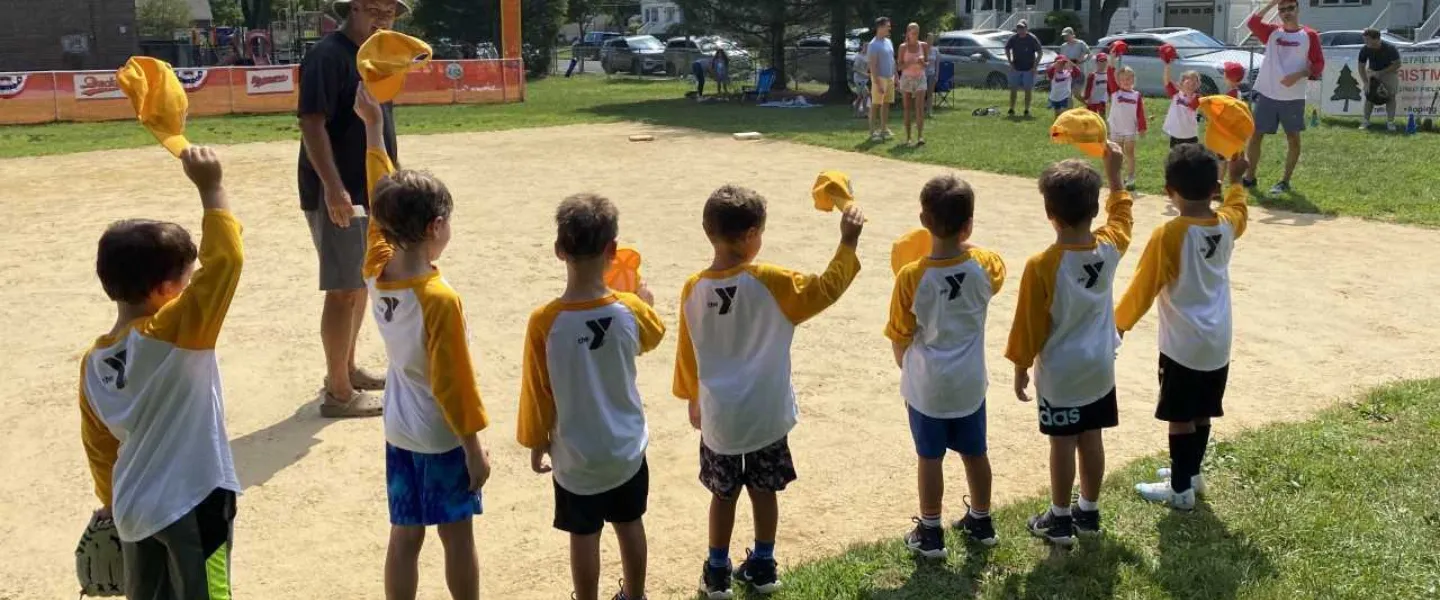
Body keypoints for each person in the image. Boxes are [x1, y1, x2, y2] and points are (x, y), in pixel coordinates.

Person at [675, 185, 864, 599]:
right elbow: (826, 289)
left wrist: (692, 396)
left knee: (722, 495)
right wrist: (847, 244)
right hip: (766, 412)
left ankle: (718, 571)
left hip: (721, 417)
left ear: (708, 230)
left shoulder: (693, 288)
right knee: (764, 489)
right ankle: (763, 563)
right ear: (749, 237)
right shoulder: (772, 281)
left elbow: (688, 350)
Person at [80, 146, 244, 599]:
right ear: (163, 290)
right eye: (187, 280)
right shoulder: (177, 328)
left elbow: (100, 448)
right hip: (197, 501)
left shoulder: (93, 362)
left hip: (134, 508)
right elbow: (226, 262)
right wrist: (211, 188)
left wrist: (111, 504)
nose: (193, 287)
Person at [357, 87, 491, 600]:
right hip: (440, 436)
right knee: (457, 536)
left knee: (405, 535)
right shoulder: (438, 298)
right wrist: (474, 449)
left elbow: (378, 201)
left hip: (399, 429)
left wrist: (373, 128)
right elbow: (453, 382)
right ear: (437, 226)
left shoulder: (376, 269)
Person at [518, 194, 665, 600]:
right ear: (612, 251)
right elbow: (654, 335)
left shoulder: (544, 322)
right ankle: (635, 595)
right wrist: (644, 300)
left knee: (583, 534)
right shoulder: (630, 309)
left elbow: (537, 389)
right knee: (630, 522)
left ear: (559, 250)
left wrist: (536, 440)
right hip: (625, 448)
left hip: (575, 454)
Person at [1007, 141, 1133, 546]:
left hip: (1061, 371)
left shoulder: (1043, 265)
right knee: (1091, 437)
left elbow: (1029, 322)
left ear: (1050, 214)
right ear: (1093, 209)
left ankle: (1060, 518)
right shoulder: (1110, 247)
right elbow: (1123, 218)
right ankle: (1089, 510)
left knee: (1062, 443)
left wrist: (1021, 365)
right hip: (1100, 366)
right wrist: (1115, 178)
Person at [1117, 146, 1251, 511]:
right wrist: (1236, 180)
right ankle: (1192, 473)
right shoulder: (1225, 224)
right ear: (1214, 189)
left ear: (1167, 190)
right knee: (1202, 410)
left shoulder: (1171, 233)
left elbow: (1144, 286)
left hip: (1183, 344)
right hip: (1218, 341)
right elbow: (1239, 210)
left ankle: (1179, 491)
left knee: (1178, 416)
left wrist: (1119, 324)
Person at [298, 0, 410, 418]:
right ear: (353, 8)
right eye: (374, 8)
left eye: (390, 10)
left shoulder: (377, 56)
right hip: (340, 190)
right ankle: (339, 394)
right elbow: (311, 123)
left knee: (360, 282)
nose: (383, 17)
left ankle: (345, 369)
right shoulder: (329, 56)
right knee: (343, 290)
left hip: (370, 189)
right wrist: (334, 189)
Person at [886, 176, 1005, 558]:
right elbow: (996, 263)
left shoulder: (911, 276)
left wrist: (906, 365)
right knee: (975, 452)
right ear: (969, 224)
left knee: (930, 457)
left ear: (923, 218)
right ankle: (982, 521)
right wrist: (964, 243)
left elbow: (900, 333)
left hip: (928, 385)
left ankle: (931, 530)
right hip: (970, 381)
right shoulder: (984, 266)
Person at [1244, 0, 1323, 195]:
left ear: (1298, 9)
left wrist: (1298, 75)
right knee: (1256, 136)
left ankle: (1284, 181)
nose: (1286, 12)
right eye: (1282, 9)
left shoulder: (1309, 35)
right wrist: (1272, 3)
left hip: (1293, 97)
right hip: (1268, 93)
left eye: (1290, 8)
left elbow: (1318, 64)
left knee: (1293, 139)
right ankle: (1249, 177)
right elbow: (1252, 23)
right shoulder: (1272, 32)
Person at [1107, 66, 1146, 190]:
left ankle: (1130, 177)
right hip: (1116, 128)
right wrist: (1112, 58)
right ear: (1118, 81)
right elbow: (1109, 73)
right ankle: (1117, 178)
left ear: (1133, 79)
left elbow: (1140, 113)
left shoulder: (1136, 95)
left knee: (1129, 153)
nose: (1126, 81)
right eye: (1123, 79)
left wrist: (1142, 128)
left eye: (1129, 78)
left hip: (1130, 129)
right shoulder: (1115, 92)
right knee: (1116, 154)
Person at [1358, 28, 1402, 131]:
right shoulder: (1365, 49)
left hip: (1389, 73)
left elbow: (1397, 64)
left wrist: (1380, 73)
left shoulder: (1390, 48)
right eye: (1364, 39)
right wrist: (1365, 82)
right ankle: (1366, 121)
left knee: (1390, 97)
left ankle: (1390, 122)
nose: (1365, 42)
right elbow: (1361, 67)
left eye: (1367, 39)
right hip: (1372, 73)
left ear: (1376, 39)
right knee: (1369, 97)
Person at [898, 23, 930, 146]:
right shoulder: (903, 47)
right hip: (906, 78)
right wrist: (910, 62)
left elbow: (927, 64)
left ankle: (920, 137)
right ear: (908, 33)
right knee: (907, 109)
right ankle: (908, 137)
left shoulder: (923, 45)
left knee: (919, 108)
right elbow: (899, 66)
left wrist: (923, 63)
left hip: (920, 77)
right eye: (913, 33)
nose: (916, 35)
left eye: (917, 32)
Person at [1004, 20, 1043, 117]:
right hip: (1016, 68)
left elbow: (1040, 52)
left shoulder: (1032, 39)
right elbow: (1007, 48)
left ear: (1026, 28)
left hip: (1028, 69)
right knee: (1013, 89)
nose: (1020, 30)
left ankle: (1026, 110)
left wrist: (1034, 67)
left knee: (1028, 90)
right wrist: (1010, 63)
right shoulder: (1013, 38)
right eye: (1018, 28)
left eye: (1022, 28)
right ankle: (1012, 109)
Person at [868, 18, 897, 142]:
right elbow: (872, 66)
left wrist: (896, 76)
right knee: (876, 105)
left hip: (890, 77)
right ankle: (873, 131)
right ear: (880, 27)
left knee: (886, 104)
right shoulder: (873, 44)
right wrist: (877, 82)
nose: (889, 28)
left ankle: (884, 129)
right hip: (879, 78)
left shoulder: (888, 42)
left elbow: (892, 60)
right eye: (887, 26)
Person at [1163, 63, 1203, 147]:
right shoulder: (1176, 94)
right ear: (1181, 83)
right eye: (1188, 83)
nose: (1191, 86)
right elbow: (1167, 81)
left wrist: (1184, 89)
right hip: (1176, 133)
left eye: (1194, 84)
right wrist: (1167, 65)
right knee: (1176, 157)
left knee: (1191, 157)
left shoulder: (1197, 97)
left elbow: (1192, 106)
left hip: (1190, 134)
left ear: (1198, 85)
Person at [1058, 27, 1092, 100]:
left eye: (1067, 35)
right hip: (1067, 73)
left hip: (1079, 72)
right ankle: (1070, 110)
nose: (1065, 37)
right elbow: (1061, 58)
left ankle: (1089, 105)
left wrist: (1082, 60)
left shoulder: (1080, 43)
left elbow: (1089, 54)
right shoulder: (1063, 46)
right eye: (1064, 36)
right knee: (1068, 95)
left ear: (1072, 35)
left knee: (1076, 94)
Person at [853, 42, 871, 118]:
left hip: (865, 79)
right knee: (866, 94)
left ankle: (856, 111)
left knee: (860, 96)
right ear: (863, 47)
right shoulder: (859, 57)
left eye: (868, 47)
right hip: (858, 79)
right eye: (865, 47)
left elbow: (869, 67)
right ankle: (864, 113)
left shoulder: (868, 56)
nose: (867, 49)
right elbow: (855, 68)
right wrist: (864, 74)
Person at [925, 33, 941, 115]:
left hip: (932, 73)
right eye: (928, 39)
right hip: (923, 74)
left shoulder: (936, 50)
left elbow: (937, 64)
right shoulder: (922, 49)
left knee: (930, 93)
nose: (930, 41)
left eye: (931, 39)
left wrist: (936, 76)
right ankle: (921, 110)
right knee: (922, 92)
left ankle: (929, 110)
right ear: (926, 39)